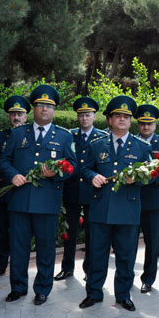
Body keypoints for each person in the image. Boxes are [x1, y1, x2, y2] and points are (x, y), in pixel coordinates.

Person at [0, 85, 76, 305]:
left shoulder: (63, 136)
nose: (44, 109)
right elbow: (3, 160)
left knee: (45, 248)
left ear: (54, 110)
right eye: (40, 105)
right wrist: (12, 175)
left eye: (49, 106)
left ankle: (42, 288)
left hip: (47, 201)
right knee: (18, 247)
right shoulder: (17, 133)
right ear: (33, 108)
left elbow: (73, 165)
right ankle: (18, 287)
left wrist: (56, 173)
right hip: (19, 199)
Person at [79, 96, 152, 311]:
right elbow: (85, 169)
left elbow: (154, 174)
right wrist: (92, 176)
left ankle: (123, 295)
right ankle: (93, 293)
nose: (122, 119)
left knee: (126, 256)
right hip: (101, 208)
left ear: (131, 121)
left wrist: (138, 178)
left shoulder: (141, 146)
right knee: (97, 254)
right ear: (109, 120)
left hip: (128, 209)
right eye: (118, 116)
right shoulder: (97, 144)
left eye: (126, 116)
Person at [54, 97, 107, 282]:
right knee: (70, 232)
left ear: (94, 116)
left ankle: (89, 269)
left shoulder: (102, 137)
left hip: (94, 192)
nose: (84, 119)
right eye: (81, 115)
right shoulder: (69, 135)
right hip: (72, 190)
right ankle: (67, 267)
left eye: (88, 115)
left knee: (93, 233)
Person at [0, 95, 30, 279]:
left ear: (26, 116)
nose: (16, 117)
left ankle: (19, 268)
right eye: (13, 114)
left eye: (20, 114)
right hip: (2, 192)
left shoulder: (32, 136)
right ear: (8, 116)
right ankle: (0, 265)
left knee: (20, 233)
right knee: (1, 231)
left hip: (23, 191)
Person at [135, 104, 159, 294]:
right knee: (129, 240)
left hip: (154, 198)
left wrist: (150, 180)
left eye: (149, 124)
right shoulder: (132, 142)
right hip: (133, 199)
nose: (146, 127)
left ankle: (148, 278)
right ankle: (126, 275)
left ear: (155, 125)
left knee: (152, 241)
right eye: (142, 123)